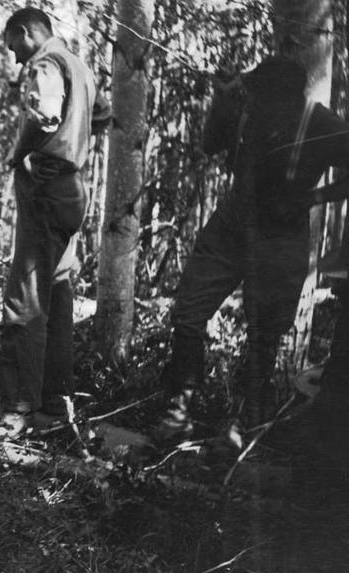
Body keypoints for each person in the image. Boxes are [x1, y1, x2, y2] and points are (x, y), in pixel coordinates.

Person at [156, 56, 349, 441]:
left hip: (281, 237)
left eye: (261, 96)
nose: (253, 102)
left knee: (265, 331)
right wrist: (221, 100)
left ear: (287, 98)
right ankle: (179, 410)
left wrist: (314, 197)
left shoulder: (321, 124)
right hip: (231, 225)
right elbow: (210, 144)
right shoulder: (246, 109)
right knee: (189, 311)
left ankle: (244, 420)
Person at [0, 8, 111, 434]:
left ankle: (17, 410)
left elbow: (44, 114)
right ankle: (55, 402)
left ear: (26, 32)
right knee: (58, 294)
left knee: (24, 299)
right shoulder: (79, 65)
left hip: (46, 188)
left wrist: (20, 153)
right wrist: (72, 140)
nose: (15, 57)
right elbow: (102, 116)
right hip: (71, 190)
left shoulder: (46, 63)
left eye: (14, 46)